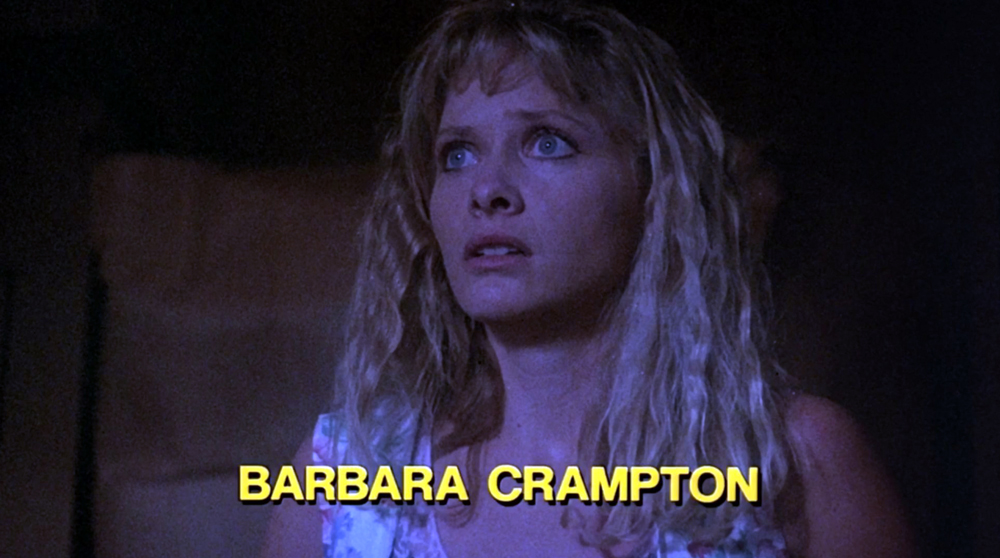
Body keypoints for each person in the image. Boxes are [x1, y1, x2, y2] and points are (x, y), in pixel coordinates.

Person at [262, 1, 916, 556]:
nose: (486, 189)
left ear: (654, 189)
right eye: (457, 154)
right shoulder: (344, 482)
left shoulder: (798, 462)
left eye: (548, 142)